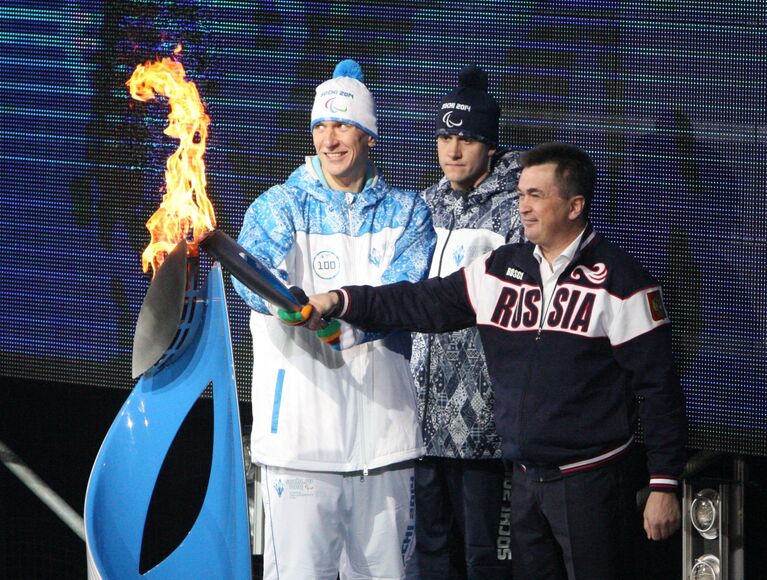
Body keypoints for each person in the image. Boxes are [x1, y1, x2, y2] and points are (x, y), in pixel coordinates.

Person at [302, 142, 687, 580]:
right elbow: (420, 302)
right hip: (524, 482)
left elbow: (659, 391)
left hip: (593, 484)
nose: (522, 206)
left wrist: (664, 483)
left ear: (576, 205)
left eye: (536, 196)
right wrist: (342, 300)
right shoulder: (500, 269)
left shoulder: (621, 282)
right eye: (521, 194)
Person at [232, 59, 436, 580]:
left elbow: (402, 298)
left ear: (368, 135)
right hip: (302, 444)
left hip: (384, 440)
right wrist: (288, 305)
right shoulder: (280, 205)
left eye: (343, 125)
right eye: (321, 125)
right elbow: (250, 277)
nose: (330, 137)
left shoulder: (407, 212)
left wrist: (338, 317)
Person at [406, 65, 521, 579]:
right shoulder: (421, 207)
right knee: (428, 552)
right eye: (445, 137)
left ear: (490, 146)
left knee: (482, 557)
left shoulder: (517, 210)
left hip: (483, 425)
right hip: (419, 419)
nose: (453, 151)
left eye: (467, 139)